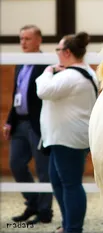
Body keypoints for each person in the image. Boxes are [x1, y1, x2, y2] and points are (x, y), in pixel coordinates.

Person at [35, 32, 99, 233]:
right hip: (61, 138)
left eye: (58, 50)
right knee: (58, 182)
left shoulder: (70, 75)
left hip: (68, 140)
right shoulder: (83, 71)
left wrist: (48, 70)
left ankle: (73, 228)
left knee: (70, 185)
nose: (57, 54)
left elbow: (43, 90)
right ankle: (68, 225)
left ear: (67, 52)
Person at [2, 25, 53, 224]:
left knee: (43, 170)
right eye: (21, 38)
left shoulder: (46, 64)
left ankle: (44, 212)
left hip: (38, 124)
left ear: (38, 40)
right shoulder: (21, 63)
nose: (23, 42)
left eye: (27, 39)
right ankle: (32, 203)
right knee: (16, 164)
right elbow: (17, 94)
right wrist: (9, 122)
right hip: (19, 124)